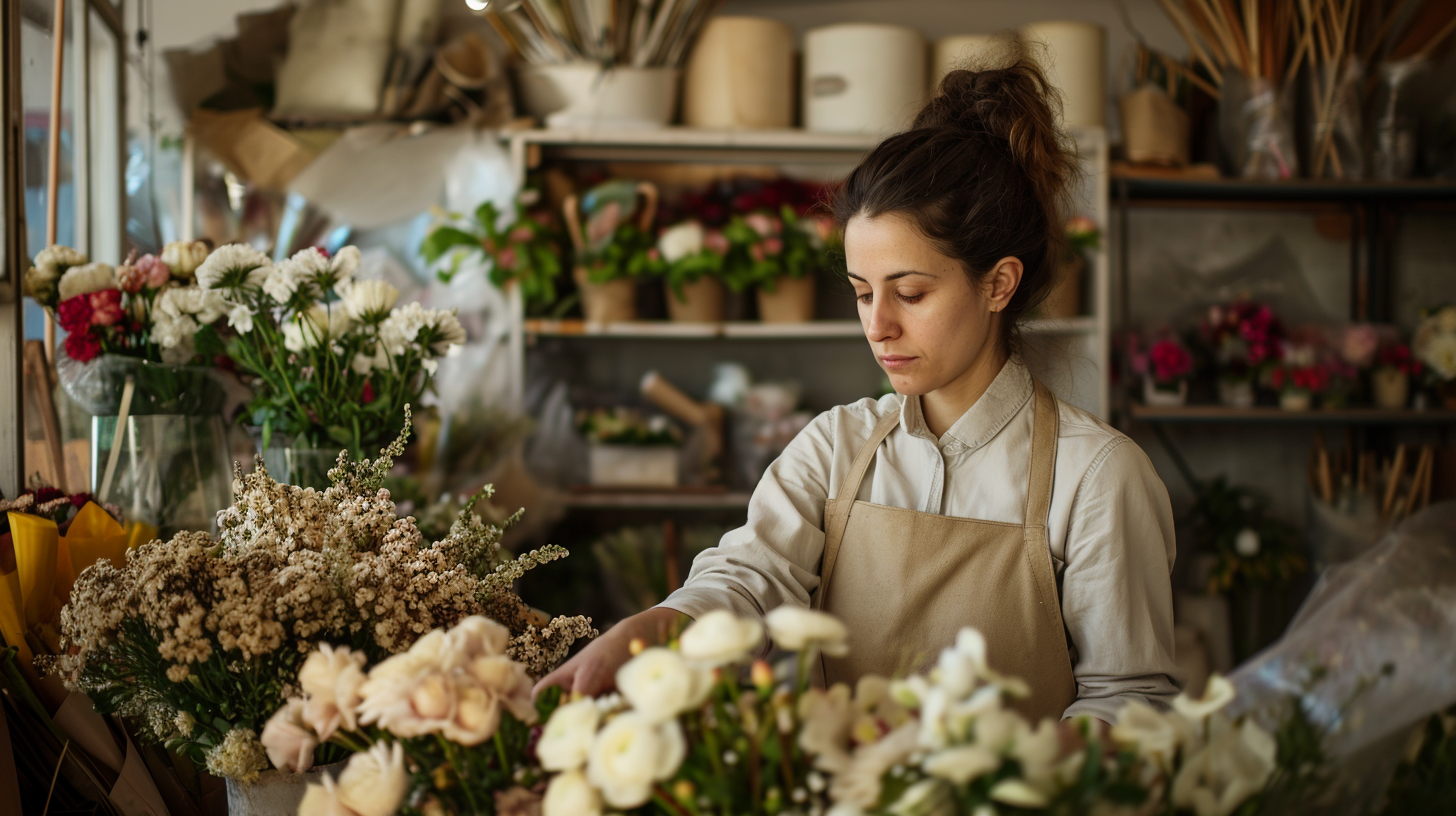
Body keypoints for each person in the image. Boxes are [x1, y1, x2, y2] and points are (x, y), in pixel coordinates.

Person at [537, 54, 1179, 724]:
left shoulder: (1098, 476)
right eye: (862, 293)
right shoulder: (835, 447)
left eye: (910, 293)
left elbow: (1130, 701)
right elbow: (749, 576)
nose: (879, 326)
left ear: (999, 283)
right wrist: (643, 632)